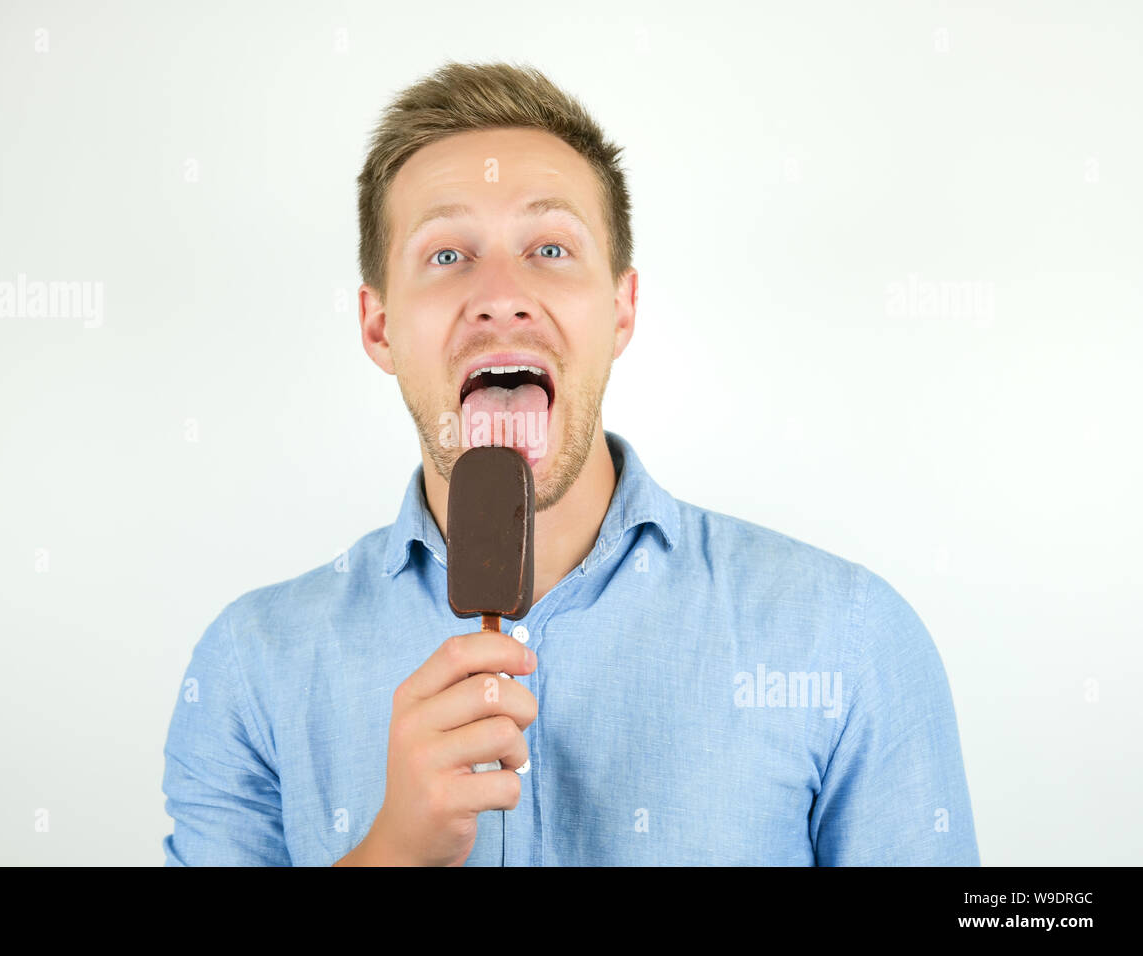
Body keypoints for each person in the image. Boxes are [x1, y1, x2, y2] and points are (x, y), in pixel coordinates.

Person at [161, 59, 980, 866]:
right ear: (379, 327)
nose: (502, 294)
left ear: (621, 310)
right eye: (447, 256)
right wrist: (390, 855)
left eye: (550, 247)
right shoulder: (250, 666)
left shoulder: (846, 638)